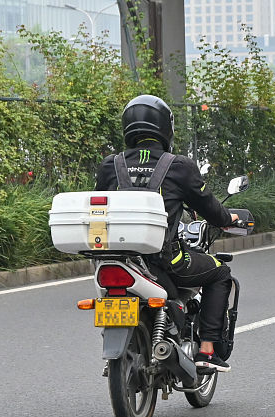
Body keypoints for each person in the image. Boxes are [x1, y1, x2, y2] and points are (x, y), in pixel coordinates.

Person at [94, 94, 239, 373]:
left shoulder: (110, 164)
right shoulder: (179, 166)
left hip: (117, 261)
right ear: (165, 127)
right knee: (220, 273)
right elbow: (211, 209)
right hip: (166, 261)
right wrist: (228, 218)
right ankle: (207, 351)